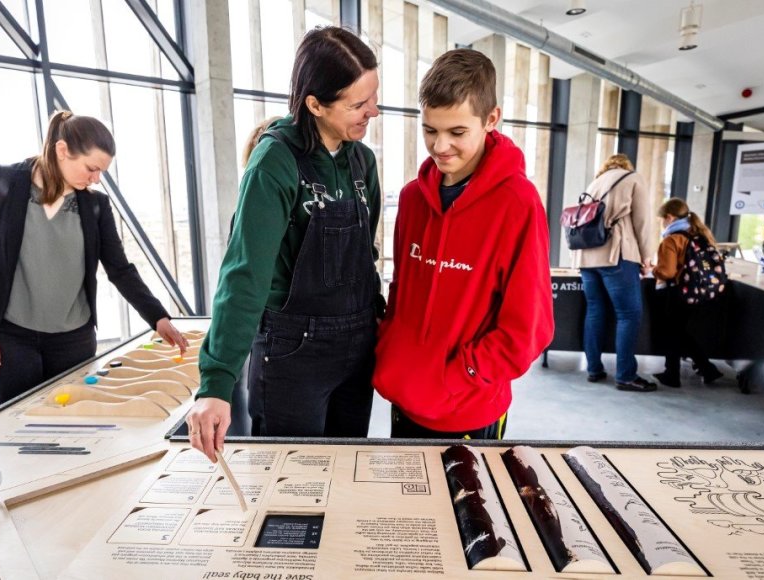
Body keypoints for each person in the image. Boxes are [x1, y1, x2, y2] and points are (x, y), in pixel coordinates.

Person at [187, 27, 383, 462]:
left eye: (373, 97)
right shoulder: (274, 162)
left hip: (356, 350)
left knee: (347, 472)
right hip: (294, 353)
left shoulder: (362, 161)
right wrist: (216, 382)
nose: (373, 111)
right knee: (291, 482)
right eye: (358, 104)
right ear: (315, 104)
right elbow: (244, 276)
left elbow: (364, 257)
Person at [373, 49, 554, 439]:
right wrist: (393, 348)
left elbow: (530, 328)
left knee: (467, 503)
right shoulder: (411, 200)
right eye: (430, 130)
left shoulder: (518, 204)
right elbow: (402, 292)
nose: (440, 147)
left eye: (457, 132)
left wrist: (459, 375)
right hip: (404, 400)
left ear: (491, 120)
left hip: (469, 410)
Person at [0, 111, 187, 408]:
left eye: (101, 172)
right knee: (15, 430)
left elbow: (120, 269)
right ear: (62, 150)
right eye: (91, 168)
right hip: (9, 341)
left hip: (74, 343)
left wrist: (158, 317)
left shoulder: (96, 206)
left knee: (74, 426)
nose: (97, 179)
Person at [572, 153, 657, 392]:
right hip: (616, 255)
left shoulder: (595, 183)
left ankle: (594, 369)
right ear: (627, 166)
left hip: (587, 257)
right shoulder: (633, 179)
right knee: (629, 315)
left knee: (595, 312)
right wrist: (647, 257)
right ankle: (626, 375)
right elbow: (642, 222)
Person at [651, 198, 724, 387]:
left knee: (673, 333)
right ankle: (706, 369)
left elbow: (667, 272)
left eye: (661, 219)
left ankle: (673, 375)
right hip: (699, 291)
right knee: (679, 332)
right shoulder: (698, 235)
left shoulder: (672, 239)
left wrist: (652, 270)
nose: (661, 223)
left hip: (678, 292)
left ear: (669, 217)